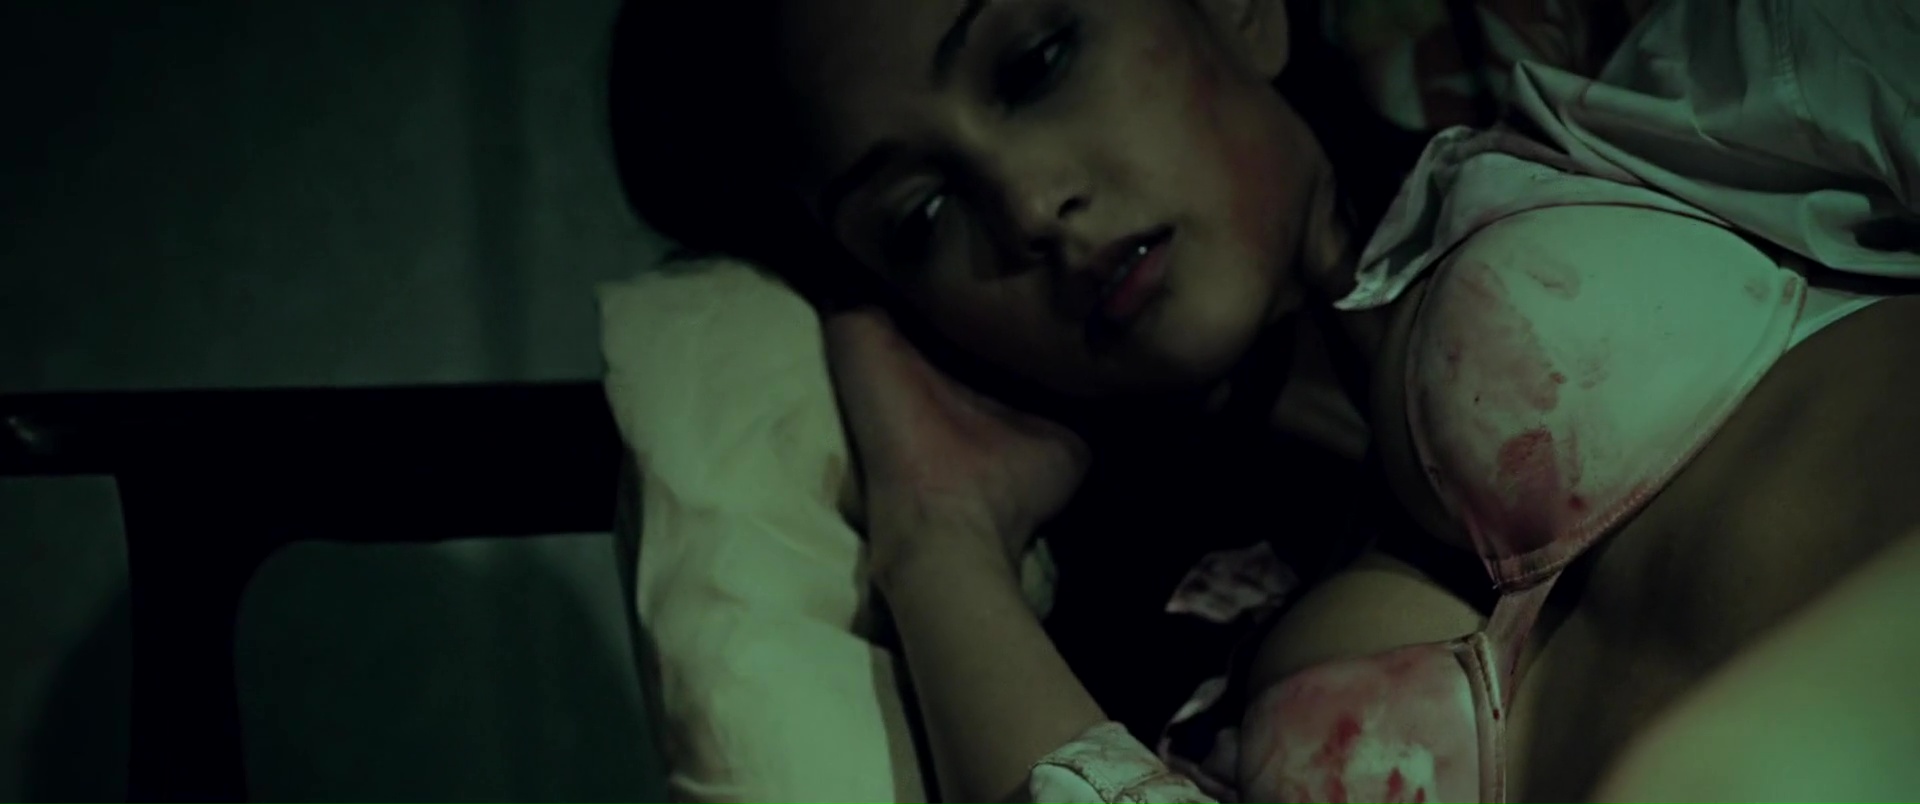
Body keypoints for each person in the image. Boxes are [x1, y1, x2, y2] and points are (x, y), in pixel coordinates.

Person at [607, 0, 1920, 801]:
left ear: (1238, 6)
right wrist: (937, 548)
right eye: (923, 217)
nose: (1030, 206)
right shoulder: (1177, 686)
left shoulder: (1629, 138)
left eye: (1039, 58)